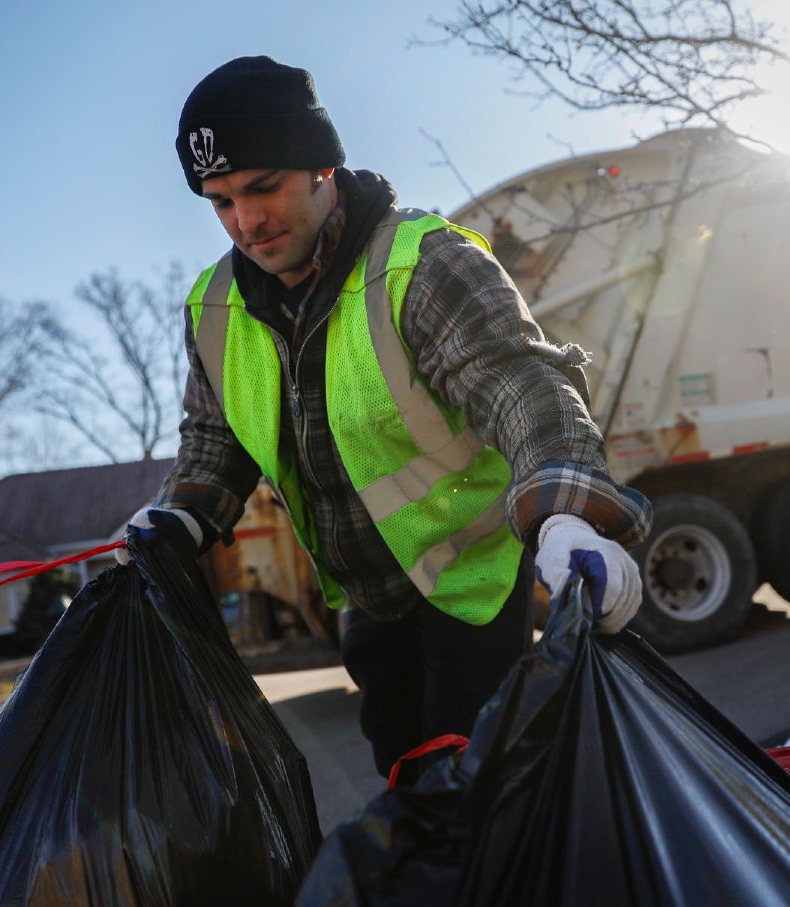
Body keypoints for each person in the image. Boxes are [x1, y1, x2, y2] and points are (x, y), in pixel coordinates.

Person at [126, 55, 652, 779]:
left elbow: (520, 385)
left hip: (473, 585)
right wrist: (178, 516)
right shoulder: (213, 309)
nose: (245, 222)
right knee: (412, 796)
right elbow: (215, 439)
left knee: (493, 794)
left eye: (261, 187)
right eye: (219, 201)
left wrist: (567, 515)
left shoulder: (421, 263)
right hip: (366, 601)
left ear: (319, 166)